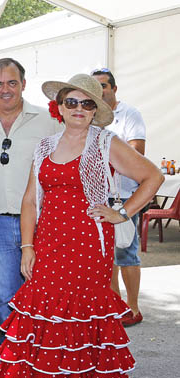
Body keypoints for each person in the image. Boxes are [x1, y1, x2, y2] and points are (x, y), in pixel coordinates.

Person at [0, 73, 163, 378]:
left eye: (87, 103)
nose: (79, 109)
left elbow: (153, 177)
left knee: (81, 314)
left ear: (95, 109)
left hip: (88, 245)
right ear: (60, 107)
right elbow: (29, 201)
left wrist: (122, 212)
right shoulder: (44, 146)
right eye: (72, 102)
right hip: (49, 243)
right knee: (46, 314)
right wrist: (26, 246)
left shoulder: (105, 142)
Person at [0, 58, 62, 378]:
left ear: (24, 84)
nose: (5, 90)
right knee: (8, 297)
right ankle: (11, 362)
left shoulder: (49, 121)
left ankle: (47, 362)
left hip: (41, 223)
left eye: (12, 83)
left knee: (46, 294)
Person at [91, 68, 147, 327]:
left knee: (127, 253)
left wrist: (109, 157)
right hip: (98, 197)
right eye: (96, 86)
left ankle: (133, 308)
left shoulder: (129, 114)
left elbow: (137, 151)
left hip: (124, 196)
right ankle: (114, 305)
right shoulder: (90, 115)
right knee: (106, 256)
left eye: (104, 85)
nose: (101, 91)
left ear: (114, 88)